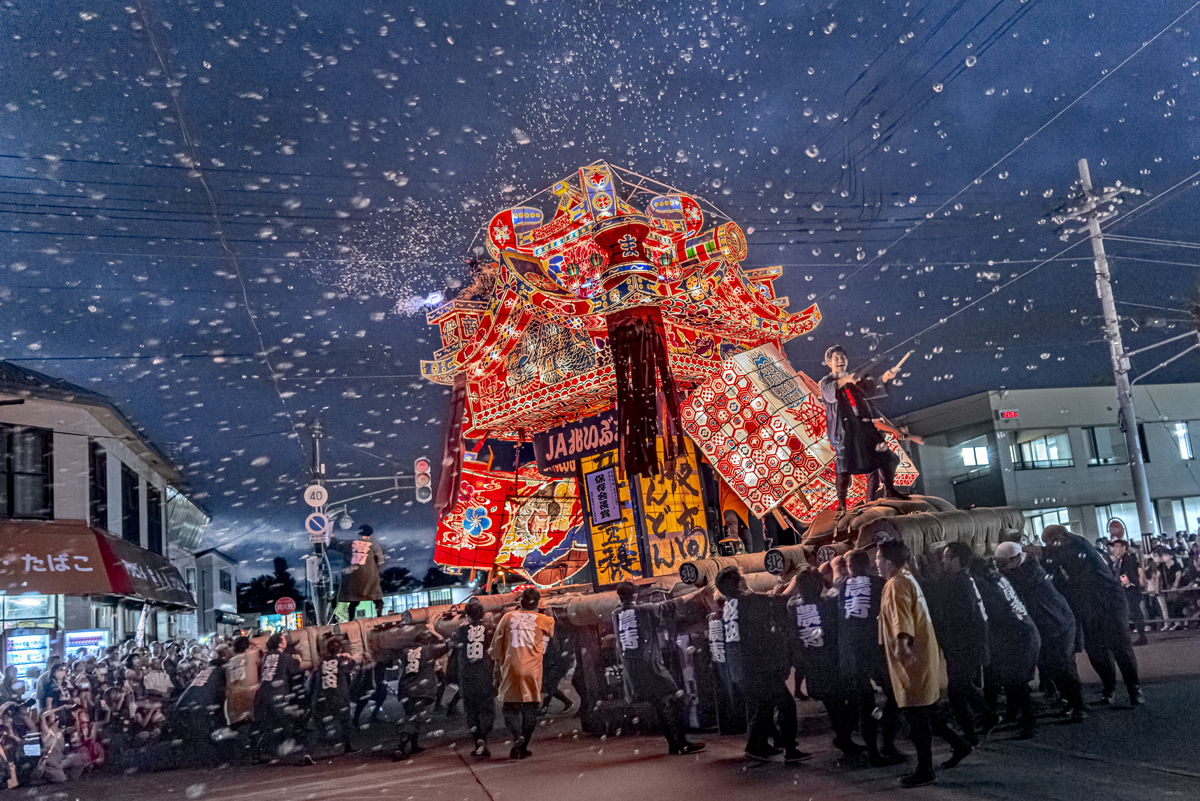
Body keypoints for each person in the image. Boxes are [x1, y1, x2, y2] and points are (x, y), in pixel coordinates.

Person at [876, 540, 971, 788]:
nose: (875, 563)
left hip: (913, 661)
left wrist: (903, 648)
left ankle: (925, 770)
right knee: (925, 713)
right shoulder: (907, 578)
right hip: (923, 656)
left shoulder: (896, 584)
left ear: (887, 562)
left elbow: (901, 620)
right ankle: (960, 744)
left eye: (877, 559)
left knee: (917, 717)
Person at [714, 565, 809, 764]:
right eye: (740, 577)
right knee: (785, 704)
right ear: (737, 584)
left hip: (741, 668)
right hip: (759, 666)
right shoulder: (749, 601)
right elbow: (780, 599)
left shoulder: (729, 606)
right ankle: (789, 749)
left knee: (763, 706)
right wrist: (796, 580)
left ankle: (758, 745)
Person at [1041, 525, 1142, 706]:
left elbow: (1063, 556)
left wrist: (1043, 550)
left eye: (1051, 542)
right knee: (1097, 651)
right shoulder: (1064, 556)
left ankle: (1133, 689)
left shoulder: (1079, 546)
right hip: (1088, 607)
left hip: (1109, 604)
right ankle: (1110, 688)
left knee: (1120, 647)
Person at [993, 541, 1086, 721]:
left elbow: (1022, 584)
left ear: (1015, 558)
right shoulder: (1022, 568)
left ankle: (1079, 705)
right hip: (1046, 625)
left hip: (1059, 624)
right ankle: (1070, 701)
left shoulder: (1032, 570)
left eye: (1003, 563)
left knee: (1063, 666)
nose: (1001, 567)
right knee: (1051, 667)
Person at [612, 581, 707, 755]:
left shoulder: (616, 614)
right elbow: (672, 604)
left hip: (632, 670)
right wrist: (698, 592)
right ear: (635, 595)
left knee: (660, 704)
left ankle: (674, 743)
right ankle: (682, 742)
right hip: (652, 666)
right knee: (676, 697)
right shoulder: (644, 610)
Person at [818, 345, 905, 514]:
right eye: (836, 358)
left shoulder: (854, 380)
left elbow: (871, 388)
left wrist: (886, 377)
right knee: (843, 464)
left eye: (843, 357)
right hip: (843, 429)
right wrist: (847, 379)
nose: (840, 360)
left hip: (863, 426)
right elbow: (830, 393)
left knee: (888, 456)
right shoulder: (826, 382)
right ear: (829, 363)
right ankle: (842, 504)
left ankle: (890, 490)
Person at [836, 548, 902, 766]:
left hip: (850, 654)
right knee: (893, 695)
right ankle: (888, 744)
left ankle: (873, 751)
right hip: (876, 651)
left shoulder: (842, 586)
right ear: (868, 565)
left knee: (864, 702)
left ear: (850, 568)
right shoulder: (880, 585)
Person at [787, 570, 860, 758]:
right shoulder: (827, 604)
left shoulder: (794, 606)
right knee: (850, 700)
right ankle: (845, 738)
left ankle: (844, 738)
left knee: (833, 705)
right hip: (833, 663)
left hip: (812, 666)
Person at [968, 555, 1040, 739]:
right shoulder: (998, 578)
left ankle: (1029, 722)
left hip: (1017, 636)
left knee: (1017, 681)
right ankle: (1015, 715)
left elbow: (994, 615)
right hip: (1024, 628)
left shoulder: (986, 587)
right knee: (1013, 680)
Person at [934, 543, 998, 746]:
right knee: (963, 688)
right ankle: (988, 717)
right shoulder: (964, 579)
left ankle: (970, 736)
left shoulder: (957, 584)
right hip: (969, 645)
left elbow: (961, 618)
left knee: (957, 692)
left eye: (945, 557)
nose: (943, 561)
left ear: (955, 559)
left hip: (965, 647)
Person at [489, 587, 555, 760]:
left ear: (520, 602)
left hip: (511, 667)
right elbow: (550, 631)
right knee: (531, 707)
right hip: (532, 670)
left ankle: (516, 736)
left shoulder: (507, 617)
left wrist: (497, 667)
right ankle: (523, 745)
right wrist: (548, 613)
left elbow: (496, 647)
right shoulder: (543, 620)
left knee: (510, 707)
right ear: (537, 603)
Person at [394, 628, 450, 760]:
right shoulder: (429, 650)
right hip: (421, 690)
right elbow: (447, 644)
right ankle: (400, 747)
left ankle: (414, 745)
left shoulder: (406, 652)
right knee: (413, 718)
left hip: (406, 689)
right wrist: (435, 633)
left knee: (413, 715)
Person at [452, 598, 496, 757]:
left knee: (471, 711)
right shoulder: (489, 629)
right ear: (483, 614)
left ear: (466, 614)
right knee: (487, 709)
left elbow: (452, 647)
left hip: (467, 676)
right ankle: (484, 736)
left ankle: (477, 740)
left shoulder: (459, 631)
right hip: (485, 674)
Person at [253, 633, 301, 763]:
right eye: (284, 639)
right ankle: (289, 752)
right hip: (278, 693)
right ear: (280, 644)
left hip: (263, 693)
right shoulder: (284, 657)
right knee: (285, 722)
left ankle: (263, 753)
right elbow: (295, 668)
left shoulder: (266, 657)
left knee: (269, 724)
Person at [309, 638, 358, 758]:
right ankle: (348, 746)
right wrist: (350, 659)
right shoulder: (342, 660)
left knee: (326, 722)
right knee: (345, 721)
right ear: (340, 649)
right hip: (339, 695)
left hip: (323, 696)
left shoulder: (323, 662)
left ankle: (317, 748)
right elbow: (352, 670)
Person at [329, 524, 386, 621]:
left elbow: (335, 544)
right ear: (371, 534)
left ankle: (351, 619)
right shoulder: (375, 546)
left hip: (354, 578)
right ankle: (379, 616)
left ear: (359, 533)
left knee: (354, 600)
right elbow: (379, 562)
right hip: (370, 577)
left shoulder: (351, 544)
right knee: (377, 598)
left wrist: (329, 535)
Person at [1109, 539, 1149, 645]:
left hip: (1131, 591)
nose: (1115, 549)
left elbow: (1130, 575)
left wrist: (1124, 583)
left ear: (1124, 548)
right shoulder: (1119, 561)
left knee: (1135, 613)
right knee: (1131, 613)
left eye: (1118, 546)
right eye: (1114, 547)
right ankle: (1138, 635)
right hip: (1126, 591)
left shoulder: (1129, 560)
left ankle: (1142, 636)